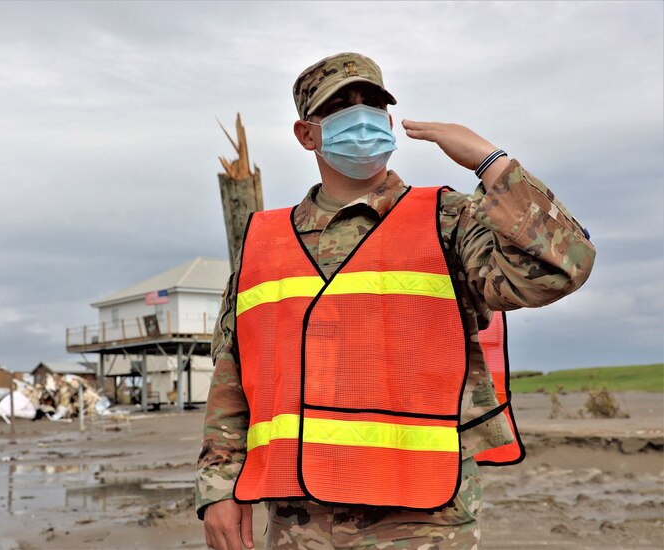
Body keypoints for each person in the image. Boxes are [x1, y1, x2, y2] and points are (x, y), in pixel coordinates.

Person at [196, 52, 595, 550]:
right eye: (341, 106)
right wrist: (218, 488)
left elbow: (562, 269)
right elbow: (232, 374)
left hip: (423, 516)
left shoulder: (448, 218)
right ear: (307, 134)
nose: (360, 117)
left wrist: (494, 164)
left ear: (389, 121)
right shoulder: (264, 240)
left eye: (372, 104)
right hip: (301, 519)